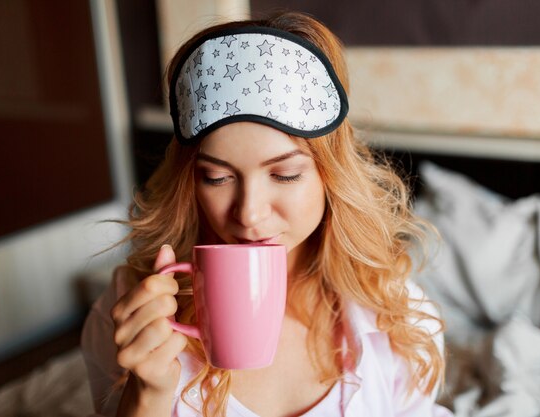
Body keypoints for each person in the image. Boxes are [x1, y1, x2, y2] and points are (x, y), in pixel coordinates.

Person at [81, 11, 453, 417]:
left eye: (285, 174)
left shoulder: (398, 319)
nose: (249, 214)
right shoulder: (127, 316)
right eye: (217, 177)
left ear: (331, 177)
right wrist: (147, 397)